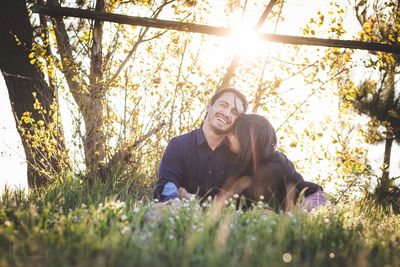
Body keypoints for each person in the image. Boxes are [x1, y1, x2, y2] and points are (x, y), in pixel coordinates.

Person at [153, 87, 248, 202]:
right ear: (209, 106)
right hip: (180, 214)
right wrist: (173, 199)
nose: (227, 114)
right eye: (223, 105)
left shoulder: (239, 156)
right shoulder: (178, 145)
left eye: (234, 112)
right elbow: (166, 187)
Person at [224, 113, 327, 211]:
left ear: (246, 140)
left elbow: (261, 208)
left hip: (311, 200)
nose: (228, 136)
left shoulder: (272, 166)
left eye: (234, 134)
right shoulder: (248, 164)